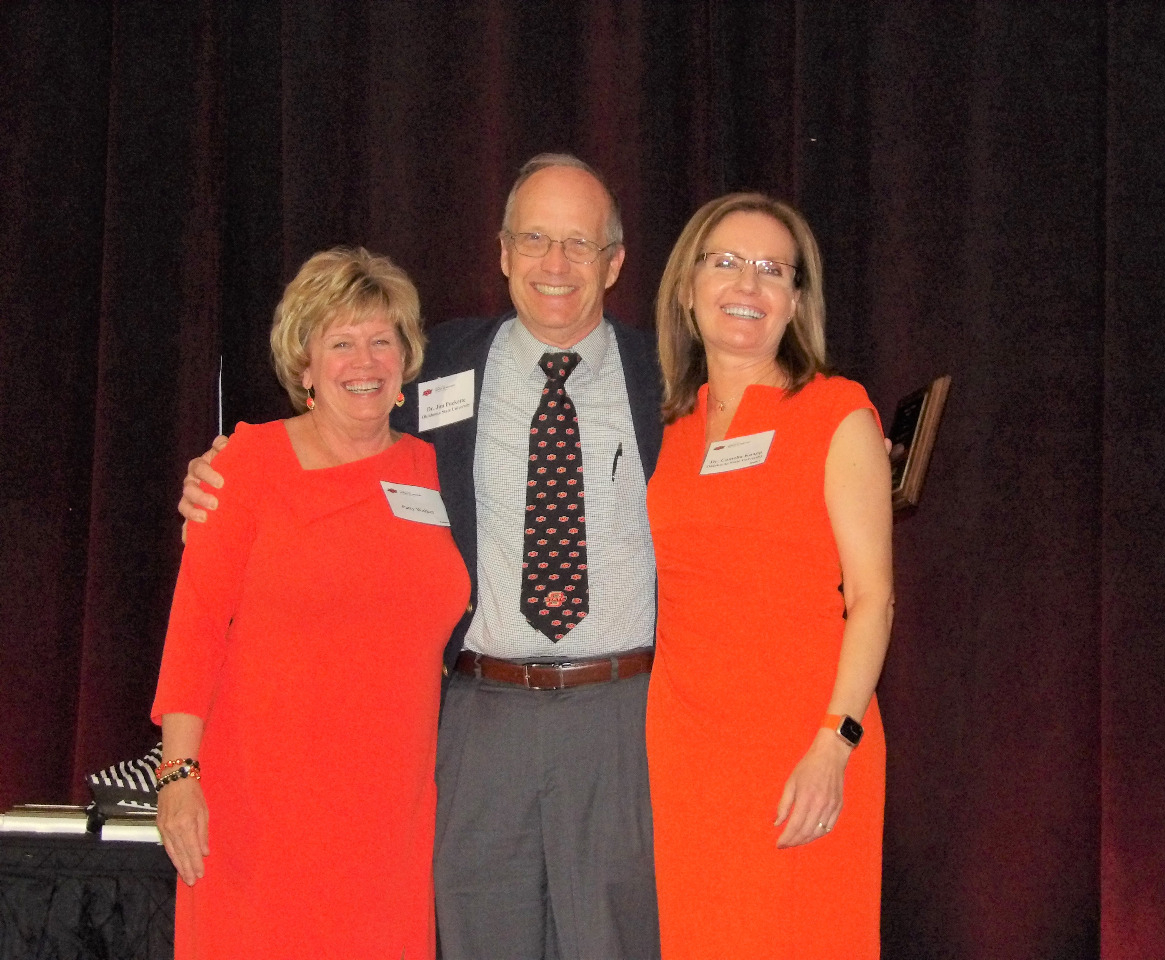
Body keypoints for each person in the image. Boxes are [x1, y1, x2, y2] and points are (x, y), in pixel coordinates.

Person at [179, 156, 663, 960]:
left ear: (614, 263)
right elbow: (341, 429)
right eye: (535, 239)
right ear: (502, 252)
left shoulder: (667, 375)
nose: (555, 265)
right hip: (480, 717)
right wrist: (219, 473)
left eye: (579, 245)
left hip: (617, 714)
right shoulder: (439, 362)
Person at [155, 247, 470, 960]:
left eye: (381, 340)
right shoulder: (246, 464)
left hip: (393, 817)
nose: (364, 360)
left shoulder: (430, 467)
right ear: (305, 366)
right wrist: (178, 775)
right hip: (260, 814)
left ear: (405, 360)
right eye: (341, 342)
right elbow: (196, 626)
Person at [644, 194, 893, 958]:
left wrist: (835, 741)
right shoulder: (671, 430)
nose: (746, 286)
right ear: (687, 289)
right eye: (725, 263)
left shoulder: (836, 411)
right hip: (688, 756)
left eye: (770, 270)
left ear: (795, 301)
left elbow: (873, 597)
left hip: (805, 748)